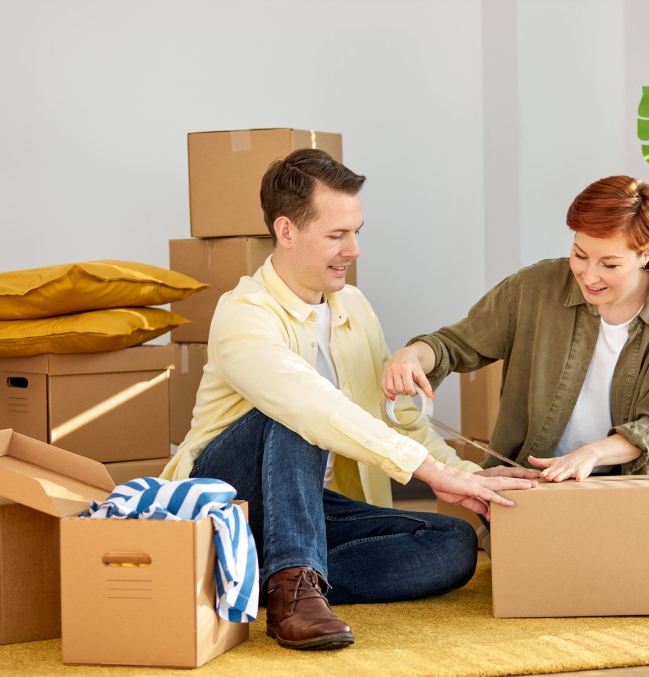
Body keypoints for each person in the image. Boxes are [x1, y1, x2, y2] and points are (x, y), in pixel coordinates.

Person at [162, 148, 536, 652]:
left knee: (452, 545)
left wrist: (458, 472)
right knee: (296, 415)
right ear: (286, 230)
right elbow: (312, 406)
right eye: (337, 235)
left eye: (357, 231)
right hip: (224, 501)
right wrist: (428, 471)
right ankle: (291, 589)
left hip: (299, 508)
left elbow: (391, 417)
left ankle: (260, 576)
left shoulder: (353, 307)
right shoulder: (243, 315)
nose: (354, 249)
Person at [382, 175, 649, 483]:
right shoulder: (534, 287)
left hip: (621, 491)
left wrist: (590, 455)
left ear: (646, 252)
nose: (589, 276)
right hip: (528, 483)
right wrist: (412, 356)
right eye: (580, 255)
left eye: (610, 265)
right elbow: (454, 345)